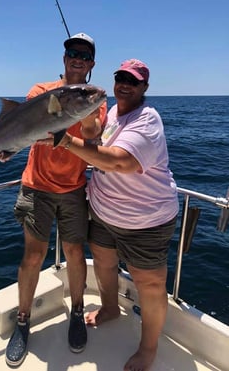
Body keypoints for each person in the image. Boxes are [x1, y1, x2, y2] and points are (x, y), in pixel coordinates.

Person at [46, 58, 179, 371]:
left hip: (145, 221)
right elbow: (94, 141)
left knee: (150, 285)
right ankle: (109, 308)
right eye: (121, 78)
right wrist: (88, 120)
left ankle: (148, 348)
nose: (125, 85)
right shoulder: (112, 113)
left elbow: (120, 162)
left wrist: (63, 138)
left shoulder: (147, 120)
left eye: (133, 81)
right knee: (104, 265)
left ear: (144, 87)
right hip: (104, 213)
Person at [5, 33, 107, 367]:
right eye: (72, 52)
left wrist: (87, 103)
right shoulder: (40, 91)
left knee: (76, 253)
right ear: (64, 58)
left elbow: (92, 135)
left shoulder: (96, 100)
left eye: (85, 55)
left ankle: (77, 313)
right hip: (37, 187)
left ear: (91, 64)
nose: (78, 58)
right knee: (33, 256)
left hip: (74, 189)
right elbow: (26, 128)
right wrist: (8, 146)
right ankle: (22, 321)